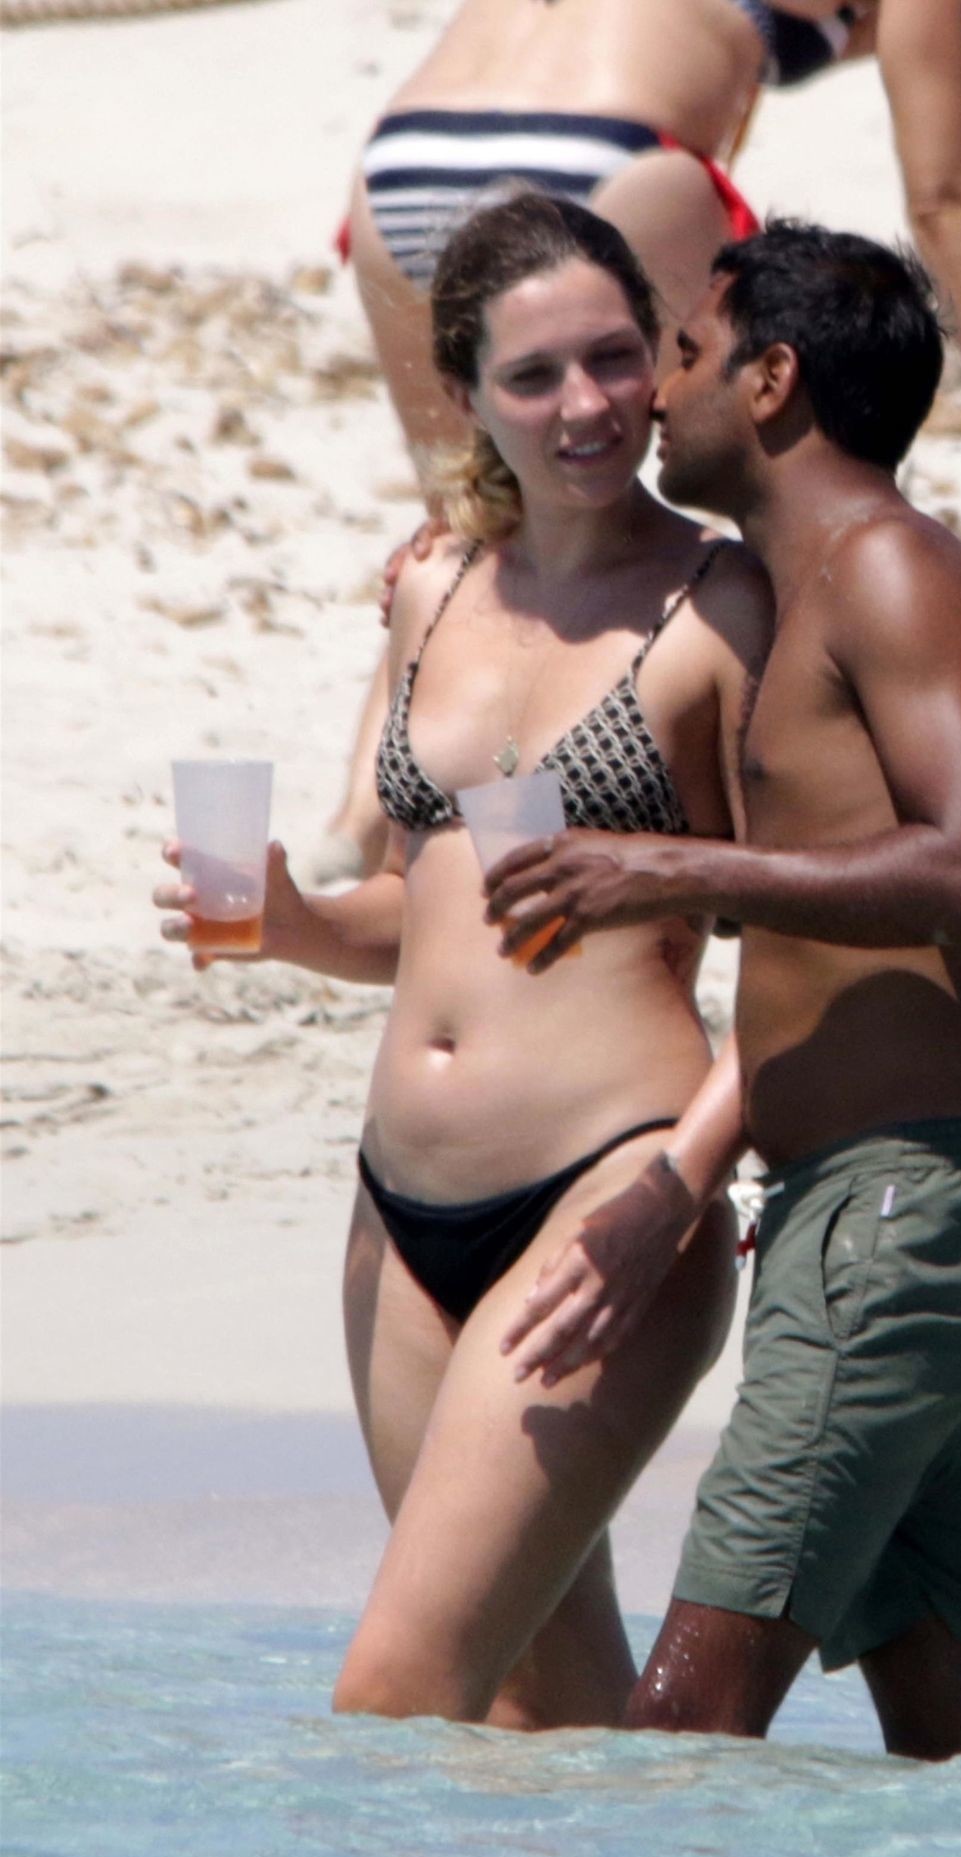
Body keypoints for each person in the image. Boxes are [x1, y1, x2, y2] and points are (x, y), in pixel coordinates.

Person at [156, 192, 772, 1727]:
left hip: (604, 1199)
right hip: (398, 1216)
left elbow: (806, 951)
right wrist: (293, 925)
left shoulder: (718, 606)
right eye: (533, 375)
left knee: (394, 1693)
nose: (585, 406)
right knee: (525, 1731)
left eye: (613, 358)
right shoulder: (431, 592)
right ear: (464, 394)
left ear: (659, 354)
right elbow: (419, 912)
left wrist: (679, 1191)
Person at [484, 218, 961, 1757]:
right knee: (960, 1768)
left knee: (680, 1740)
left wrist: (675, 869)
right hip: (889, 1221)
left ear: (771, 381)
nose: (654, 389)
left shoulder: (890, 570)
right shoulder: (798, 582)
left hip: (901, 1224)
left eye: (683, 353)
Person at [320, 0, 961, 877]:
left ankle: (363, 830)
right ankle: (778, 804)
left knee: (475, 530)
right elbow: (949, 202)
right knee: (755, 446)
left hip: (404, 154)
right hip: (611, 150)